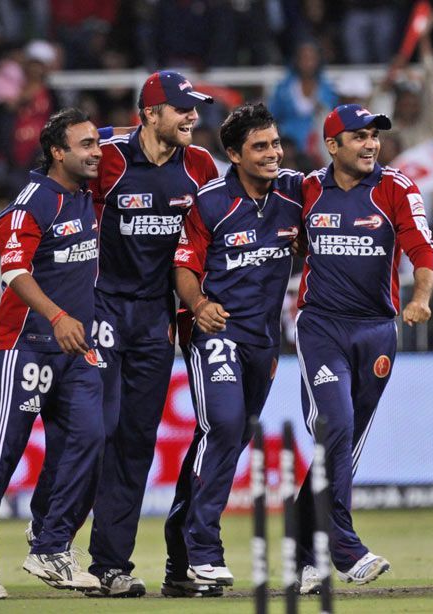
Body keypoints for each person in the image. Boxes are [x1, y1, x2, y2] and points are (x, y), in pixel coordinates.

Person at [0, 108, 105, 599]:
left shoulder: (86, 194)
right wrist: (58, 316)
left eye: (96, 143)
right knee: (3, 454)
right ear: (57, 152)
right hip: (26, 346)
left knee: (88, 439)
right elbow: (14, 273)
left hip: (76, 349)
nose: (96, 152)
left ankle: (51, 546)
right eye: (85, 145)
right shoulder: (32, 202)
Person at [294, 103, 433, 594]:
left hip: (377, 331)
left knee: (339, 447)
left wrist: (420, 297)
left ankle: (303, 548)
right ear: (332, 145)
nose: (370, 144)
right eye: (358, 136)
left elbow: (422, 248)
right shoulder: (307, 189)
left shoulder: (396, 187)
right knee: (335, 425)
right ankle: (346, 549)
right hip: (320, 328)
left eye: (373, 136)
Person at [83, 70, 217, 597]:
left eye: (194, 108)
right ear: (150, 114)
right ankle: (50, 533)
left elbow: (215, 230)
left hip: (155, 319)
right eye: (182, 108)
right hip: (101, 307)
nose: (192, 117)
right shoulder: (107, 156)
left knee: (136, 441)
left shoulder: (201, 166)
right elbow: (51, 187)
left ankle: (108, 566)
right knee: (97, 429)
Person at [163, 102, 304, 593]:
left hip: (264, 341)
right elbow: (183, 265)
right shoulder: (209, 203)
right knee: (221, 425)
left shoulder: (294, 194)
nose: (273, 154)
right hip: (216, 332)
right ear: (233, 154)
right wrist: (199, 304)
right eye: (260, 147)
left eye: (275, 144)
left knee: (228, 438)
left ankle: (179, 552)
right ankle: (203, 550)